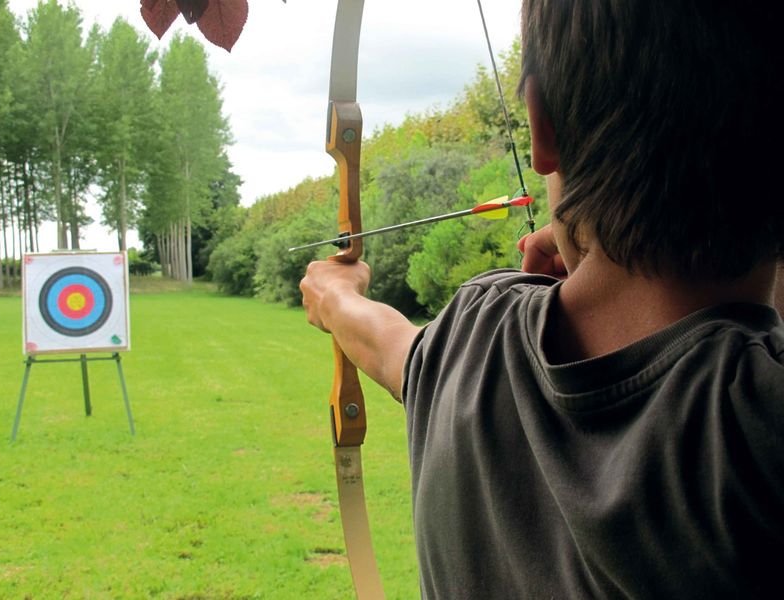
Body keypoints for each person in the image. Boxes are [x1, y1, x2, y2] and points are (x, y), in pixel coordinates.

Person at [300, 0, 783, 597]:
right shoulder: (755, 425)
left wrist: (332, 293)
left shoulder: (477, 335)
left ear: (541, 122)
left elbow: (387, 342)